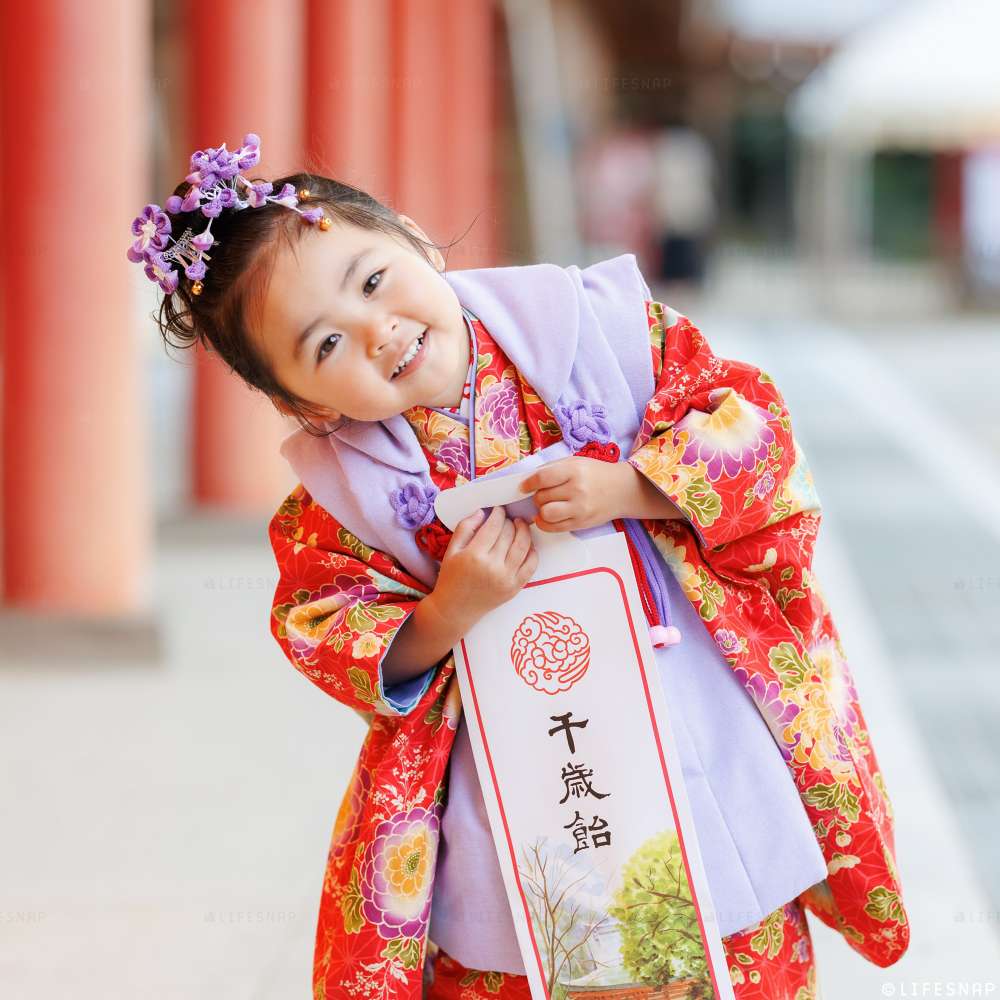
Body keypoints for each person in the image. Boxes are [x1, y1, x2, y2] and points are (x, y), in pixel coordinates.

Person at [128, 134, 910, 1000]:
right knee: (539, 948)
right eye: (325, 344)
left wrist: (632, 486)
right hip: (510, 779)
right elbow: (319, 620)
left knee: (731, 925)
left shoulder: (604, 331)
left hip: (690, 718)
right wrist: (444, 614)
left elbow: (753, 429)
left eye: (373, 281)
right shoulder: (340, 496)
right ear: (299, 402)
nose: (378, 332)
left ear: (414, 237)